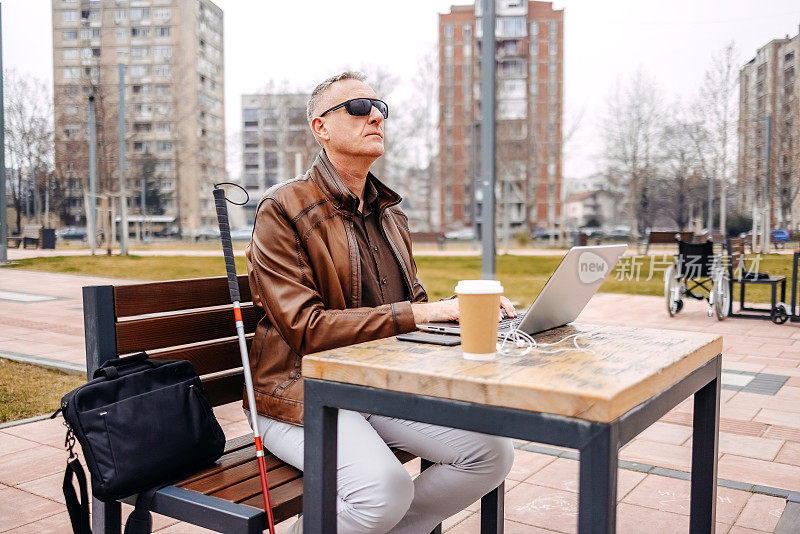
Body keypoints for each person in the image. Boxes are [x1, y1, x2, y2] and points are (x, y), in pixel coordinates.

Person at [245, 71, 516, 534]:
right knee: (383, 490)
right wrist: (422, 312)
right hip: (297, 393)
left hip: (374, 388)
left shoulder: (391, 216)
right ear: (321, 127)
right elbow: (306, 328)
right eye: (356, 107)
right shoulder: (283, 207)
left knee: (491, 453)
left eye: (380, 107)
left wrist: (463, 306)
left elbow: (414, 307)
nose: (375, 115)